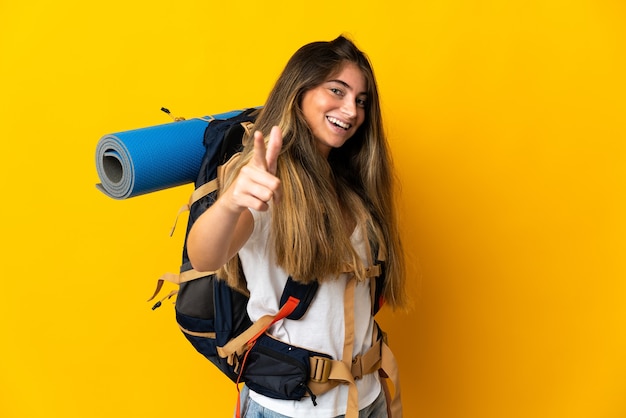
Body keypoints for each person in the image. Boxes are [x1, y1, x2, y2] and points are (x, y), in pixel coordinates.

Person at [187, 34, 407, 418]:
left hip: (367, 398)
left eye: (360, 100)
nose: (351, 110)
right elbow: (206, 255)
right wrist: (232, 200)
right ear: (298, 91)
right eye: (336, 90)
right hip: (293, 409)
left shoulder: (350, 181)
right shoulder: (262, 175)